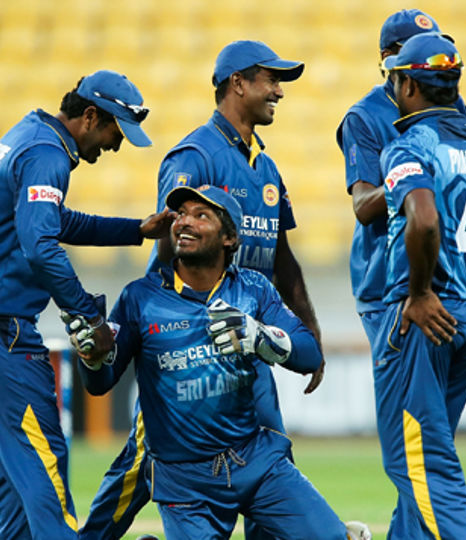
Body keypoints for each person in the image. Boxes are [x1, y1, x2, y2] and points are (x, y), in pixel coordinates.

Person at [80, 41, 325, 540]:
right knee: (145, 464)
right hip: (189, 343)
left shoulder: (267, 167)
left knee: (271, 459)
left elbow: (283, 259)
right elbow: (174, 243)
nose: (279, 90)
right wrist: (169, 333)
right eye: (269, 79)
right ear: (238, 83)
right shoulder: (196, 156)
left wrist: (308, 334)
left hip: (250, 336)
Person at [0, 70, 171, 539]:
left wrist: (134, 230)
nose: (116, 146)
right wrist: (88, 314)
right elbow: (40, 245)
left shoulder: (29, 135)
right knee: (44, 467)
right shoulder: (49, 155)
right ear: (90, 116)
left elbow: (54, 221)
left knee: (12, 482)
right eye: (115, 132)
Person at [69, 184, 368, 540]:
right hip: (184, 481)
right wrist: (92, 358)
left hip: (255, 461)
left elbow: (309, 353)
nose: (184, 223)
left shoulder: (253, 289)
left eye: (201, 215)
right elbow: (100, 384)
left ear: (229, 238)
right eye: (180, 214)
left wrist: (260, 337)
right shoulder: (140, 297)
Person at [375, 32, 466, 539]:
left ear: (409, 83)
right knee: (430, 451)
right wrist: (464, 288)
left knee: (419, 462)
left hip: (425, 317)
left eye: (395, 80)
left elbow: (424, 220)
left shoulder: (409, 146)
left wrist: (420, 293)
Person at [336, 7, 466, 363]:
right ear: (388, 57)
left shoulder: (452, 101)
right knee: (406, 407)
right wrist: (414, 177)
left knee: (432, 408)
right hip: (387, 286)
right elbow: (364, 206)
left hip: (441, 279)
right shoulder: (363, 116)